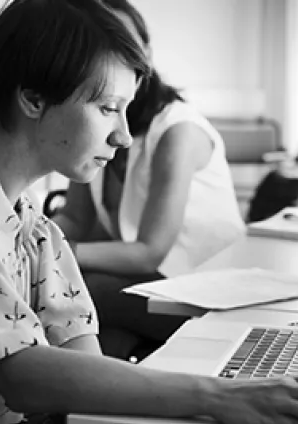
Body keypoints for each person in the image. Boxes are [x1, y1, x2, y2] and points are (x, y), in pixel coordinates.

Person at [0, 1, 298, 423]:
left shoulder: (19, 205)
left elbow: (78, 357)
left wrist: (233, 393)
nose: (124, 136)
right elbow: (23, 376)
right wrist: (224, 396)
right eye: (108, 108)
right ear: (33, 99)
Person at [51, 0, 245, 358]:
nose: (115, 58)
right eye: (100, 47)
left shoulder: (178, 130)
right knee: (102, 329)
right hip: (155, 286)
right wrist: (28, 234)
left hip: (208, 294)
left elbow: (148, 252)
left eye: (124, 44)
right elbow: (76, 219)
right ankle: (94, 405)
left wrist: (48, 251)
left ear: (147, 51)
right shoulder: (96, 122)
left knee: (81, 289)